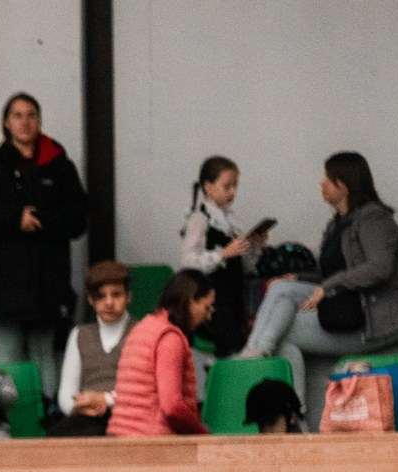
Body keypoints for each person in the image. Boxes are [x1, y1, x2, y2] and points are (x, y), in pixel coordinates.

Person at [237, 152, 398, 399]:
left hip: (376, 321)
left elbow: (379, 268)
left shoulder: (375, 219)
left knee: (283, 332)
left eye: (328, 178)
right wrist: (298, 278)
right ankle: (255, 354)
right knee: (281, 288)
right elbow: (333, 274)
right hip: (349, 309)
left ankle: (268, 386)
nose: (321, 183)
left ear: (344, 184)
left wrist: (327, 287)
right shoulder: (337, 224)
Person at [0, 93, 88, 397]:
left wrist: (43, 218)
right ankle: (11, 418)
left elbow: (78, 219)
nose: (25, 121)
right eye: (17, 115)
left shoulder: (60, 165)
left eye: (31, 114)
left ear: (39, 120)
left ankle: (47, 419)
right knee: (9, 351)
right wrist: (13, 219)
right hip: (5, 282)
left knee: (45, 351)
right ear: (6, 122)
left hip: (49, 281)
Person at [110, 269, 215, 437]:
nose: (208, 316)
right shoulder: (169, 337)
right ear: (190, 300)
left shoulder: (143, 327)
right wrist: (201, 432)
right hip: (153, 443)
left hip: (123, 436)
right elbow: (172, 406)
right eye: (206, 307)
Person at [179, 157, 268, 352]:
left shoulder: (231, 220)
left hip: (234, 297)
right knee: (228, 345)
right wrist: (222, 254)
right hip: (213, 300)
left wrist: (254, 246)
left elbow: (245, 267)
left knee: (238, 341)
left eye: (235, 186)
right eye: (226, 186)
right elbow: (188, 262)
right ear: (208, 186)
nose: (232, 192)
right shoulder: (200, 218)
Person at [50, 261, 136, 437]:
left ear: (129, 296)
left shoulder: (142, 331)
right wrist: (78, 408)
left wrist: (104, 400)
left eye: (116, 295)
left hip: (128, 414)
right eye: (101, 296)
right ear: (90, 299)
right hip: (86, 416)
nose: (109, 302)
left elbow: (144, 389)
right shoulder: (79, 334)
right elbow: (67, 392)